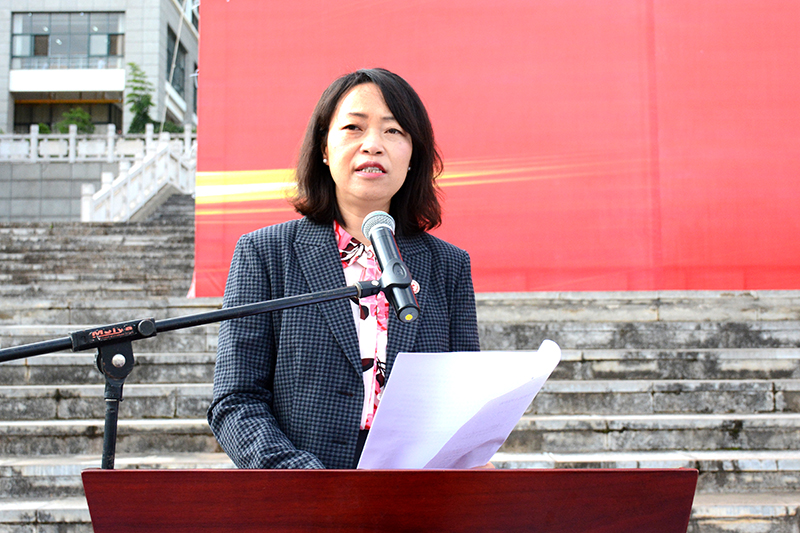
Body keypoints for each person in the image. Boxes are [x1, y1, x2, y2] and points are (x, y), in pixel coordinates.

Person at [208, 68, 480, 469]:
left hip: (415, 489)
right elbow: (236, 399)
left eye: (393, 131)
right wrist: (300, 477)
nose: (373, 145)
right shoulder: (265, 254)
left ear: (413, 155)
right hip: (301, 489)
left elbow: (464, 396)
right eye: (354, 127)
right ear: (324, 147)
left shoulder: (448, 265)